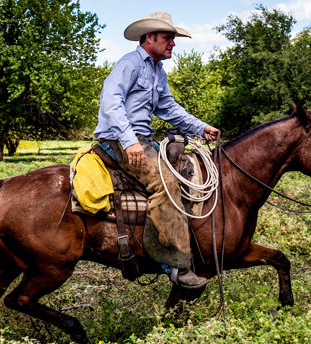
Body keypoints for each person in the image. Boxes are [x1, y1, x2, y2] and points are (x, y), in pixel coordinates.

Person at [94, 12, 219, 289]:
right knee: (166, 183)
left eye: (173, 39)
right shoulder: (129, 64)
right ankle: (173, 265)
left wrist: (200, 127)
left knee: (188, 175)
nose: (172, 43)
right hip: (119, 139)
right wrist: (129, 141)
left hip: (143, 139)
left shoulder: (157, 71)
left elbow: (168, 108)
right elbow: (110, 103)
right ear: (149, 38)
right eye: (168, 38)